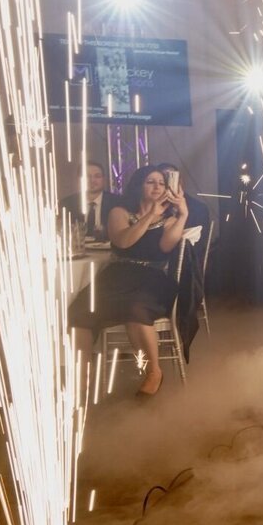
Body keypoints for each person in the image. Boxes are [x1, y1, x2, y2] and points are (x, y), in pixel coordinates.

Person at [67, 165, 197, 397]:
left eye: (161, 182)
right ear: (139, 185)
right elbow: (124, 241)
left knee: (135, 309)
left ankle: (153, 371)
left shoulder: (169, 219)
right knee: (79, 310)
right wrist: (149, 216)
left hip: (153, 278)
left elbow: (166, 246)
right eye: (151, 182)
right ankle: (83, 374)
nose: (157, 186)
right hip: (117, 275)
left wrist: (183, 215)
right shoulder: (119, 212)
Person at [59, 161, 116, 240]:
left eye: (97, 176)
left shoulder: (117, 203)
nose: (92, 180)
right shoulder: (66, 204)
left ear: (104, 179)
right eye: (87, 176)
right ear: (79, 179)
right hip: (77, 249)